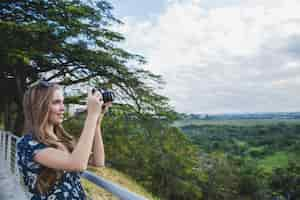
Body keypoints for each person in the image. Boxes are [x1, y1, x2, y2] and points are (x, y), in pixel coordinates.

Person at [16, 80, 111, 200]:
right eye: (56, 102)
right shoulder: (28, 144)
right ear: (39, 106)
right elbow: (77, 164)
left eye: (63, 102)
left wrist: (97, 121)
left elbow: (98, 161)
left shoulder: (62, 139)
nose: (63, 108)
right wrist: (91, 116)